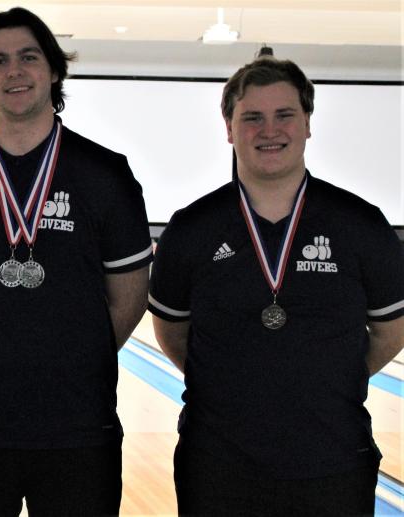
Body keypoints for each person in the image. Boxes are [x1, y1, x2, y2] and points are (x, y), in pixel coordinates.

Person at [0, 7, 152, 515]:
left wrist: (74, 351)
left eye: (28, 57)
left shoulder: (107, 175)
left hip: (79, 429)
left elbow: (129, 298)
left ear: (53, 69)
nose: (14, 71)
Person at [148, 56, 404, 515]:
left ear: (307, 123)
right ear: (229, 128)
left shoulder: (361, 225)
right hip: (218, 468)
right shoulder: (191, 230)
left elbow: (392, 330)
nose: (270, 130)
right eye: (252, 118)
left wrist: (330, 377)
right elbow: (172, 332)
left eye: (284, 115)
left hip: (334, 463)